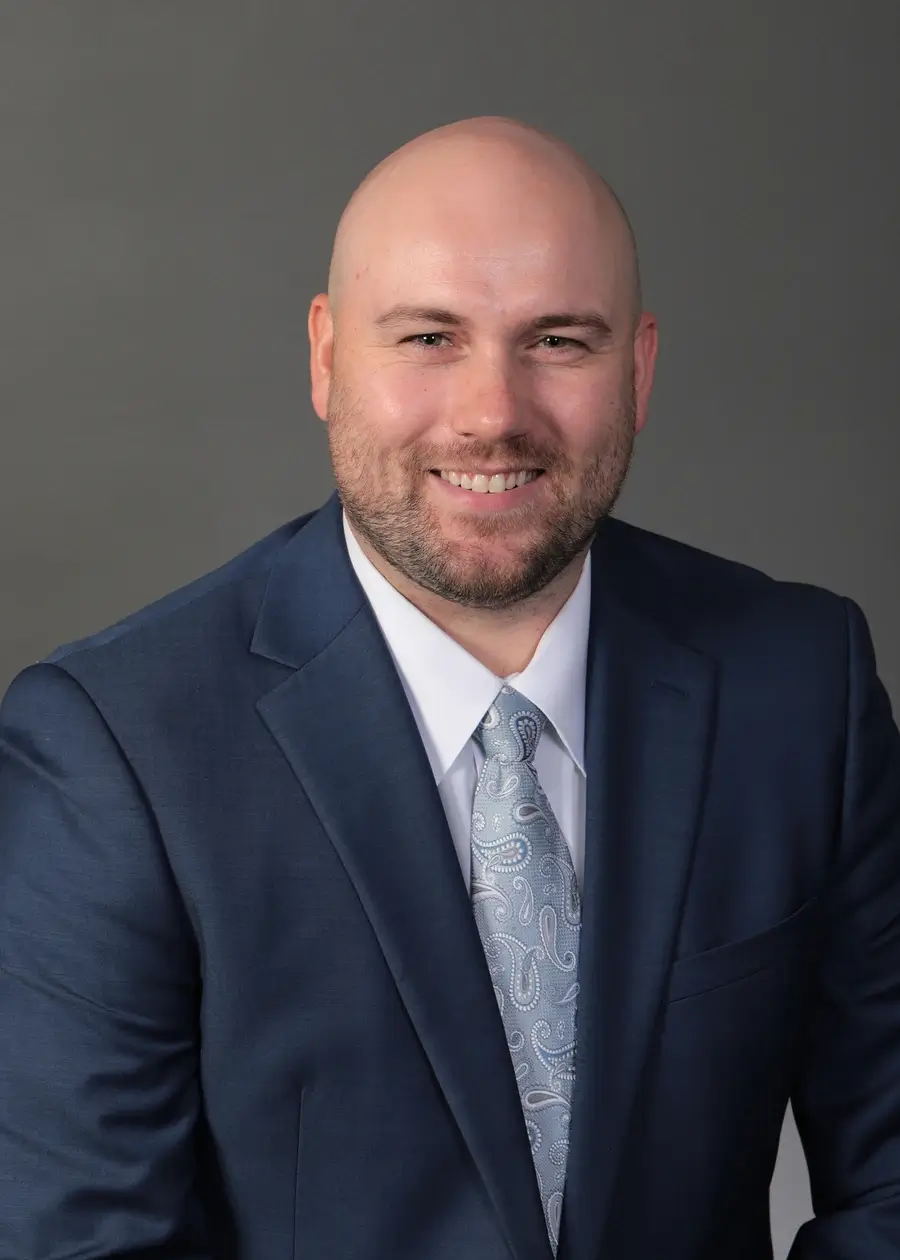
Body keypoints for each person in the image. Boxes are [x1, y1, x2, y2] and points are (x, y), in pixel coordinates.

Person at [0, 115, 898, 1260]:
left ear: (639, 368)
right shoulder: (115, 750)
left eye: (558, 341)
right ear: (327, 358)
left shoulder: (800, 685)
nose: (492, 414)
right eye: (429, 337)